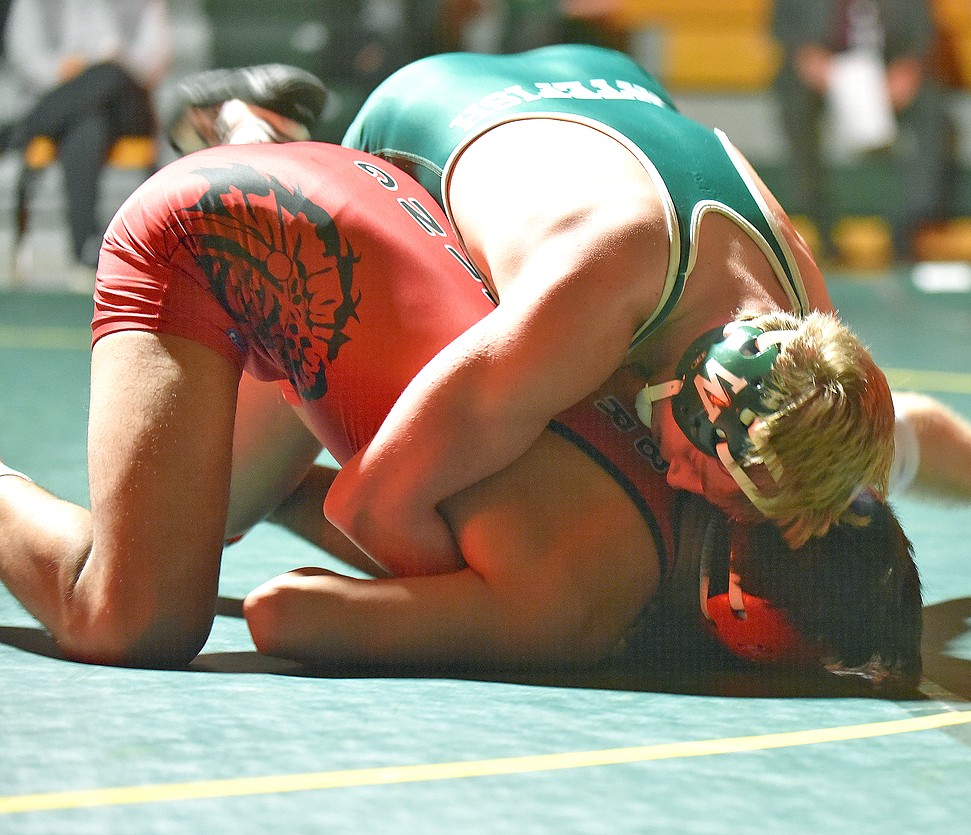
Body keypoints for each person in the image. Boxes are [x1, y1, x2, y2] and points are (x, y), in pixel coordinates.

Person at [174, 56, 971, 593]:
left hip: (602, 93)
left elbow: (885, 433)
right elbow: (373, 507)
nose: (708, 500)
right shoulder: (577, 308)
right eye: (717, 483)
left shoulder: (804, 338)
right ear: (684, 394)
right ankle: (255, 134)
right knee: (208, 517)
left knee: (747, 469)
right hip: (418, 127)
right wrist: (545, 602)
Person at [0, 138, 923, 685]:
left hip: (364, 194)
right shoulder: (573, 610)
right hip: (225, 242)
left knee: (235, 508)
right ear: (749, 623)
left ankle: (257, 129)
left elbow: (473, 514)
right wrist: (467, 610)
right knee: (136, 620)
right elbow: (282, 614)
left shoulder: (707, 438)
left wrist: (457, 581)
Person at [770, 0, 954, 261]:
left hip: (887, 70)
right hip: (824, 69)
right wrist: (808, 58)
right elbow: (783, 28)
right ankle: (819, 226)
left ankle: (908, 226)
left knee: (932, 108)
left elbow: (921, 32)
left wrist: (908, 68)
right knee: (794, 103)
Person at [3, 0, 173, 269]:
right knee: (88, 125)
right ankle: (84, 247)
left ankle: (22, 130)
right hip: (71, 108)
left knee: (110, 73)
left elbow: (154, 60)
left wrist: (115, 59)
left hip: (128, 106)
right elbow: (24, 56)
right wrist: (67, 70)